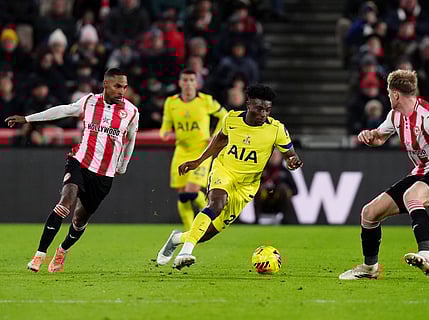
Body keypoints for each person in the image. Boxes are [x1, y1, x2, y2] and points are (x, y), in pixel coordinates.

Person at [339, 69, 429, 280]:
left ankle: (426, 256)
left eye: (388, 92)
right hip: (421, 173)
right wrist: (369, 136)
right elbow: (379, 138)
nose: (387, 96)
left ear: (395, 94)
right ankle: (370, 268)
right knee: (369, 213)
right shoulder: (395, 116)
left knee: (412, 196)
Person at [5, 68, 139, 273]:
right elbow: (63, 110)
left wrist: (123, 164)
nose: (122, 91)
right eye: (117, 86)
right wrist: (28, 118)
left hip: (105, 174)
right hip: (79, 162)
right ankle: (39, 255)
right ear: (105, 84)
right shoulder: (89, 102)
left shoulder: (131, 112)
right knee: (65, 203)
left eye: (125, 87)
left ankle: (62, 250)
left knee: (79, 220)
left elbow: (131, 140)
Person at [156, 84, 303, 270]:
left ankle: (177, 238)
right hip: (224, 170)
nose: (263, 114)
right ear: (248, 104)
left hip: (247, 185)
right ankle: (186, 251)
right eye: (259, 109)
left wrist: (293, 161)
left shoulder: (276, 129)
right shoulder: (232, 119)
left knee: (209, 232)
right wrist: (199, 161)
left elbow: (290, 154)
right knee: (216, 204)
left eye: (267, 110)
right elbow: (220, 140)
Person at [159, 68, 227, 231]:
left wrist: (216, 135)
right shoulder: (171, 102)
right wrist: (165, 133)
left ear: (196, 83)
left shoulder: (206, 100)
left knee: (191, 191)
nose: (188, 84)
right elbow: (165, 126)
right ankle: (192, 231)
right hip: (181, 151)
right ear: (180, 82)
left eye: (191, 80)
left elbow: (224, 115)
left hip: (201, 153)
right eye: (185, 80)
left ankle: (212, 216)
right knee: (182, 195)